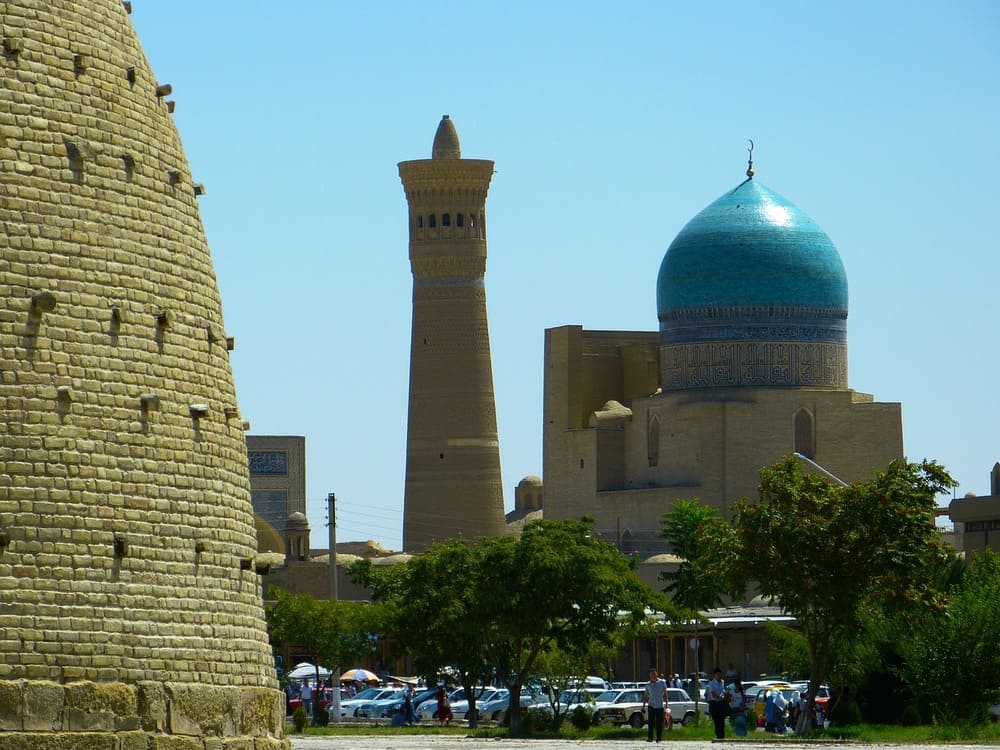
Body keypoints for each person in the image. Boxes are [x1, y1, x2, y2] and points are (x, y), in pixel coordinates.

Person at [642, 668, 668, 743]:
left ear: (656, 674)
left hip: (659, 705)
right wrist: (643, 705)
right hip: (651, 705)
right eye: (651, 674)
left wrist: (667, 704)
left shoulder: (662, 682)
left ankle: (659, 738)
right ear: (650, 675)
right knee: (650, 722)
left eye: (654, 674)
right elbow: (646, 695)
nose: (653, 675)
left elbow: (665, 693)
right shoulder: (648, 684)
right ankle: (650, 738)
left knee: (659, 722)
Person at [706, 667, 728, 739]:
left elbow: (723, 691)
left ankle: (722, 736)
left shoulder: (722, 682)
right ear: (715, 675)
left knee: (722, 720)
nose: (719, 676)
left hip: (721, 704)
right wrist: (720, 698)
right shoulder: (711, 683)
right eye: (718, 674)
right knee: (716, 721)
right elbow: (713, 694)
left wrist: (724, 696)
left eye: (720, 674)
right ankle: (718, 736)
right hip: (714, 703)